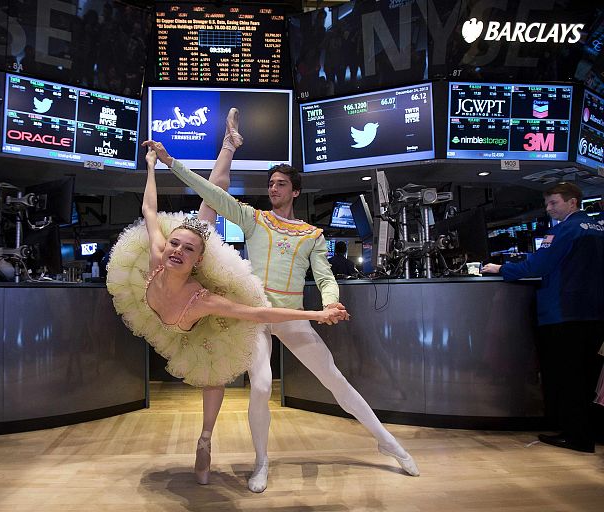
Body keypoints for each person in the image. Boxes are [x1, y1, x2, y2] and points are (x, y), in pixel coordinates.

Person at [145, 139, 419, 492]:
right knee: (260, 386)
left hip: (291, 316)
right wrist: (170, 162)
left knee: (334, 379)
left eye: (281, 184)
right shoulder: (254, 219)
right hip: (255, 316)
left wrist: (331, 302)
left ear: (296, 191)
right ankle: (262, 462)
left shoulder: (312, 234)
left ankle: (388, 442)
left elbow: (324, 276)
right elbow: (210, 191)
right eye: (270, 183)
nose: (273, 188)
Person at [107, 110, 346, 486]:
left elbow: (256, 313)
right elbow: (149, 210)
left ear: (197, 259)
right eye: (174, 244)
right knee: (202, 215)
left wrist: (317, 314)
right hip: (159, 314)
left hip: (195, 317)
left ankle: (205, 440)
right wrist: (151, 166)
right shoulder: (157, 254)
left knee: (212, 375)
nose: (176, 251)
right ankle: (228, 146)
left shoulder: (202, 296)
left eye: (186, 249)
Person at [482, 182, 604, 453]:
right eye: (547, 203)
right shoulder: (598, 229)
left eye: (554, 203)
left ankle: (576, 437)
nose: (548, 209)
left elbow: (538, 266)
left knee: (567, 377)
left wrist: (501, 268)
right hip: (595, 315)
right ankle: (591, 432)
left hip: (563, 314)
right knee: (590, 377)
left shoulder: (563, 231)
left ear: (572, 202)